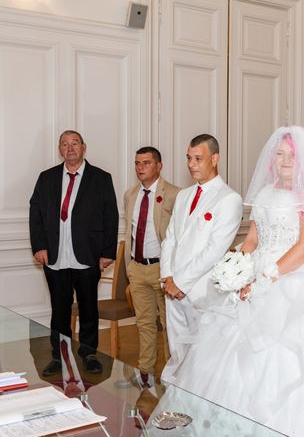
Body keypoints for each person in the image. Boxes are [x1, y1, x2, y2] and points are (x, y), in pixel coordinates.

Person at [166, 127, 304, 436]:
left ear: (303, 161)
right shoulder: (264, 194)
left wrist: (266, 276)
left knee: (287, 359)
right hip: (255, 277)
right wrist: (237, 266)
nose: (284, 160)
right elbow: (252, 239)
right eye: (280, 154)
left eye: (291, 156)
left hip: (293, 281)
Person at [29, 130, 118, 376]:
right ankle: (59, 356)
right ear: (60, 149)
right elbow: (35, 213)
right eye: (65, 144)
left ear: (84, 147)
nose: (70, 148)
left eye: (74, 143)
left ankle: (89, 353)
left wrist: (107, 252)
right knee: (60, 309)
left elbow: (111, 216)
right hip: (55, 256)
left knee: (89, 308)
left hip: (88, 255)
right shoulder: (46, 178)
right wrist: (39, 246)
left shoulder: (101, 178)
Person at [159, 134, 243, 381]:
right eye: (189, 158)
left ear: (215, 159)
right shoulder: (184, 195)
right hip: (172, 286)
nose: (191, 164)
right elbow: (170, 237)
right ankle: (177, 398)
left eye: (198, 158)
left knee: (202, 355)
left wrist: (181, 282)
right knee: (177, 351)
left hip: (201, 290)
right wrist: (167, 275)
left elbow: (214, 250)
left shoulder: (229, 199)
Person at [124, 147, 180, 385]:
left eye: (146, 163)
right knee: (144, 323)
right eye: (137, 163)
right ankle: (145, 372)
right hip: (137, 268)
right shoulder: (130, 194)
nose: (140, 168)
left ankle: (173, 374)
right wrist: (129, 266)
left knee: (170, 325)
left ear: (159, 166)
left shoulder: (175, 195)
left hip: (163, 270)